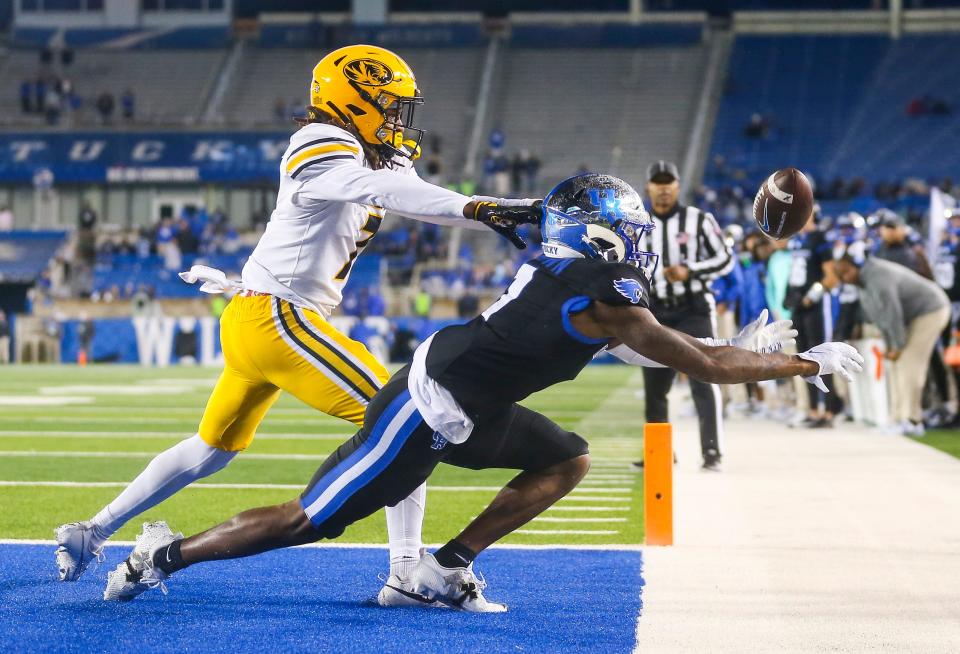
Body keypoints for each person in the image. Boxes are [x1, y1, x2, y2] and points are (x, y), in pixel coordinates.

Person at [103, 174, 861, 609]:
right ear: (601, 236)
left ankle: (442, 568)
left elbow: (654, 348)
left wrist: (747, 347)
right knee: (309, 520)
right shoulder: (605, 295)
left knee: (567, 459)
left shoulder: (579, 280)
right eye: (624, 226)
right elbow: (694, 361)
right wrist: (806, 366)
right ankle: (158, 559)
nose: (637, 239)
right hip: (423, 409)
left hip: (474, 407)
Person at [55, 45, 540, 608]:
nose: (396, 118)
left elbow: (414, 199)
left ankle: (92, 529)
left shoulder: (366, 154)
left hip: (258, 314)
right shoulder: (321, 141)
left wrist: (480, 210)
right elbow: (384, 192)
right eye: (386, 103)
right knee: (410, 416)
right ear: (350, 99)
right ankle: (408, 574)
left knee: (210, 449)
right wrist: (479, 205)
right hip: (279, 316)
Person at [636, 160, 734, 470]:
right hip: (654, 310)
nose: (663, 189)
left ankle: (712, 452)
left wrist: (689, 271)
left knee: (704, 377)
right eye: (657, 182)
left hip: (693, 308)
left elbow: (725, 259)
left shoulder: (699, 220)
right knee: (654, 385)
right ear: (649, 186)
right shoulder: (635, 222)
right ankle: (659, 453)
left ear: (677, 186)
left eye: (669, 183)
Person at [829, 245, 950, 436]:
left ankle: (912, 420)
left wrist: (897, 344)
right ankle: (897, 418)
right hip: (911, 316)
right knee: (894, 365)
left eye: (846, 272)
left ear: (858, 264)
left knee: (909, 364)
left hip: (931, 310)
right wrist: (890, 344)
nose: (844, 278)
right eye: (840, 274)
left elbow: (892, 314)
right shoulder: (862, 280)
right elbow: (880, 317)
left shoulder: (878, 277)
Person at [785, 210, 841, 428]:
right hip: (799, 307)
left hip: (816, 307)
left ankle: (828, 410)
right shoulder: (797, 240)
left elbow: (831, 277)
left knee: (821, 357)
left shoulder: (819, 238)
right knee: (803, 360)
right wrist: (790, 297)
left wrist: (812, 295)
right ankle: (813, 409)